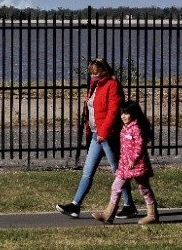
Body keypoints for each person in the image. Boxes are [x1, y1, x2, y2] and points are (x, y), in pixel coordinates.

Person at [55, 58, 137, 218]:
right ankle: (75, 205)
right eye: (91, 73)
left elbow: (114, 111)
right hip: (95, 135)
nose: (93, 76)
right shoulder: (96, 85)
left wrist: (103, 132)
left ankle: (129, 205)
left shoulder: (112, 85)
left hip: (108, 136)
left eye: (96, 72)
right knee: (88, 171)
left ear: (104, 71)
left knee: (119, 171)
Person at [92, 101, 159, 224]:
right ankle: (108, 215)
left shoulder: (136, 128)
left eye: (126, 113)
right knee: (116, 187)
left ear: (133, 114)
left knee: (144, 188)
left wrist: (134, 159)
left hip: (137, 165)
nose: (123, 116)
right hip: (124, 166)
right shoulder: (124, 129)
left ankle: (152, 214)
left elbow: (139, 145)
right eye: (122, 113)